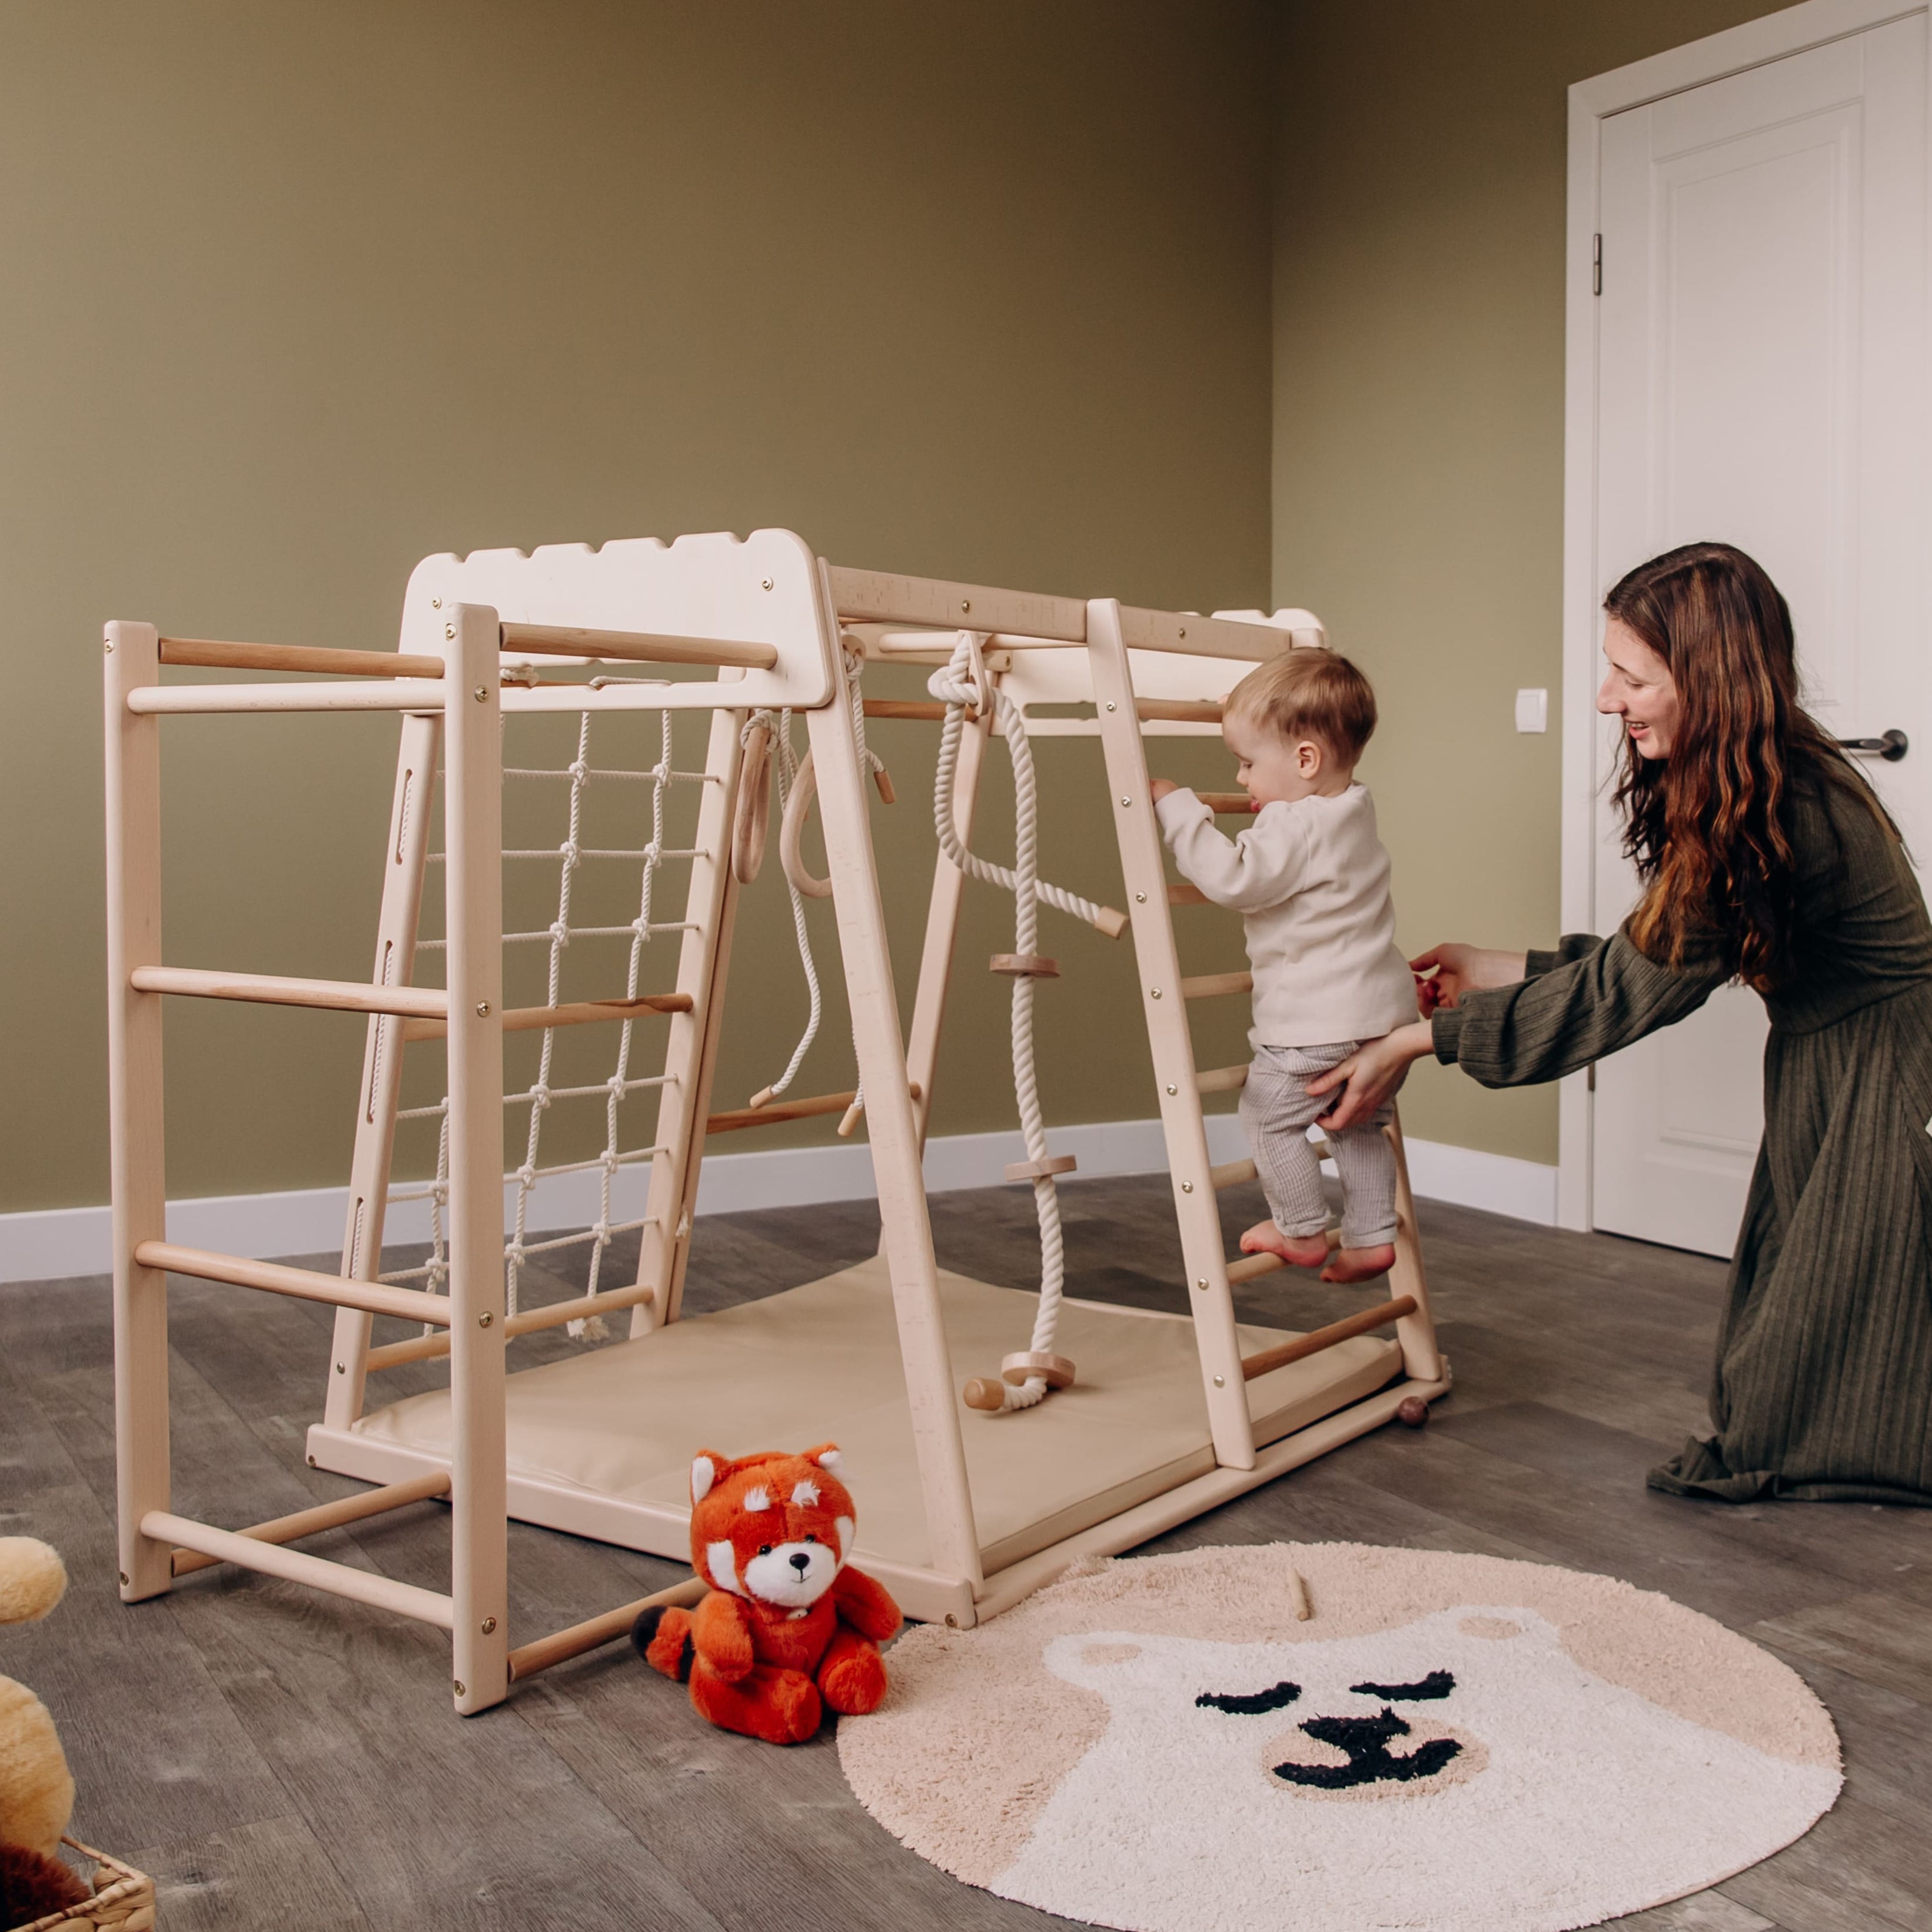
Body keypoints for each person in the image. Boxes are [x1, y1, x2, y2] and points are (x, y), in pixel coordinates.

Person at [1306, 540, 1932, 1505]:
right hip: (1836, 1059)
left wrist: (1417, 1040)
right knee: (1792, 1355)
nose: (1605, 698)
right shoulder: (1765, 778)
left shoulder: (1784, 802)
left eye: (1630, 675)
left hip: (1888, 1075)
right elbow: (1655, 953)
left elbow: (1624, 994)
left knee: (1830, 1364)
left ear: (1710, 680)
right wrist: (1499, 969)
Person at [1150, 649, 1417, 1285]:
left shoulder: (1293, 827)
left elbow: (1232, 876)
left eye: (1246, 763)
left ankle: (1299, 1226)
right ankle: (1372, 1234)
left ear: (1304, 761)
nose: (1242, 780)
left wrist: (1178, 811)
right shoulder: (1351, 807)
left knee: (1268, 1113)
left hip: (1315, 1021)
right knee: (1358, 1124)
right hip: (1383, 1017)